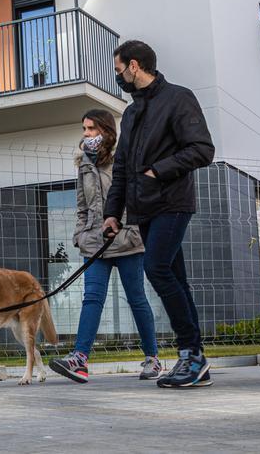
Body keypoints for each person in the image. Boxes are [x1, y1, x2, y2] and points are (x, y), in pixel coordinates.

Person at [103, 40, 215, 388]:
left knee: (157, 269)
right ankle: (195, 360)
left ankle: (190, 354)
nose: (117, 75)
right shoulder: (132, 112)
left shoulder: (178, 98)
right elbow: (121, 167)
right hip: (143, 208)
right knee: (174, 278)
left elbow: (202, 149)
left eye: (119, 69)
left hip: (172, 201)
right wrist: (112, 212)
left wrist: (158, 171)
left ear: (134, 66)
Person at [49, 109, 161, 384]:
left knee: (136, 298)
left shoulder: (123, 159)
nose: (85, 134)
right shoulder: (84, 163)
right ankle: (80, 359)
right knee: (92, 298)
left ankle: (153, 358)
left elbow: (135, 197)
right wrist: (80, 234)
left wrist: (122, 224)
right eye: (84, 129)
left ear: (105, 131)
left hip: (126, 241)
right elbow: (82, 206)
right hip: (94, 244)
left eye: (90, 129)